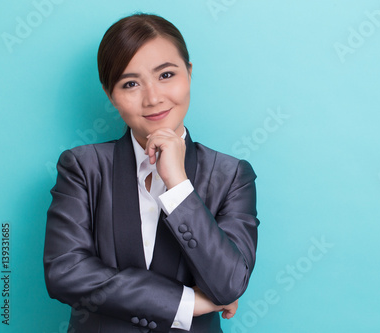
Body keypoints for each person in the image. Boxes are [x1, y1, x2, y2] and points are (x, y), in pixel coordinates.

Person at [43, 13, 259, 333]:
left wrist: (178, 184)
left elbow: (228, 285)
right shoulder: (83, 168)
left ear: (189, 72)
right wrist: (185, 304)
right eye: (130, 83)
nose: (153, 98)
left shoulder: (231, 176)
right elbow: (65, 272)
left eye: (166, 74)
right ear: (109, 93)